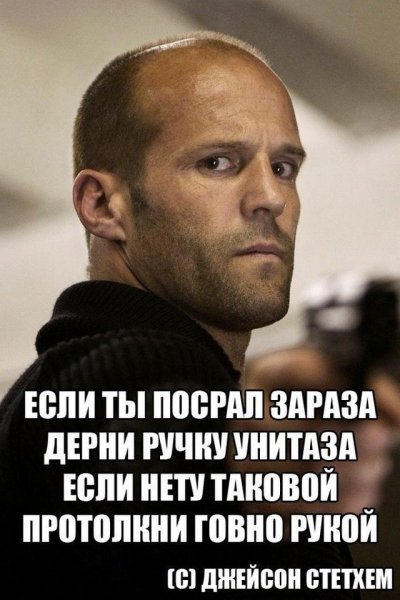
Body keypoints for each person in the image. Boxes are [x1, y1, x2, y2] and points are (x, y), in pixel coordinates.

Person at [1, 31, 398, 598]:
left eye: (284, 167)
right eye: (217, 162)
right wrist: (240, 468)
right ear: (102, 205)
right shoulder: (102, 377)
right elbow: (133, 428)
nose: (271, 197)